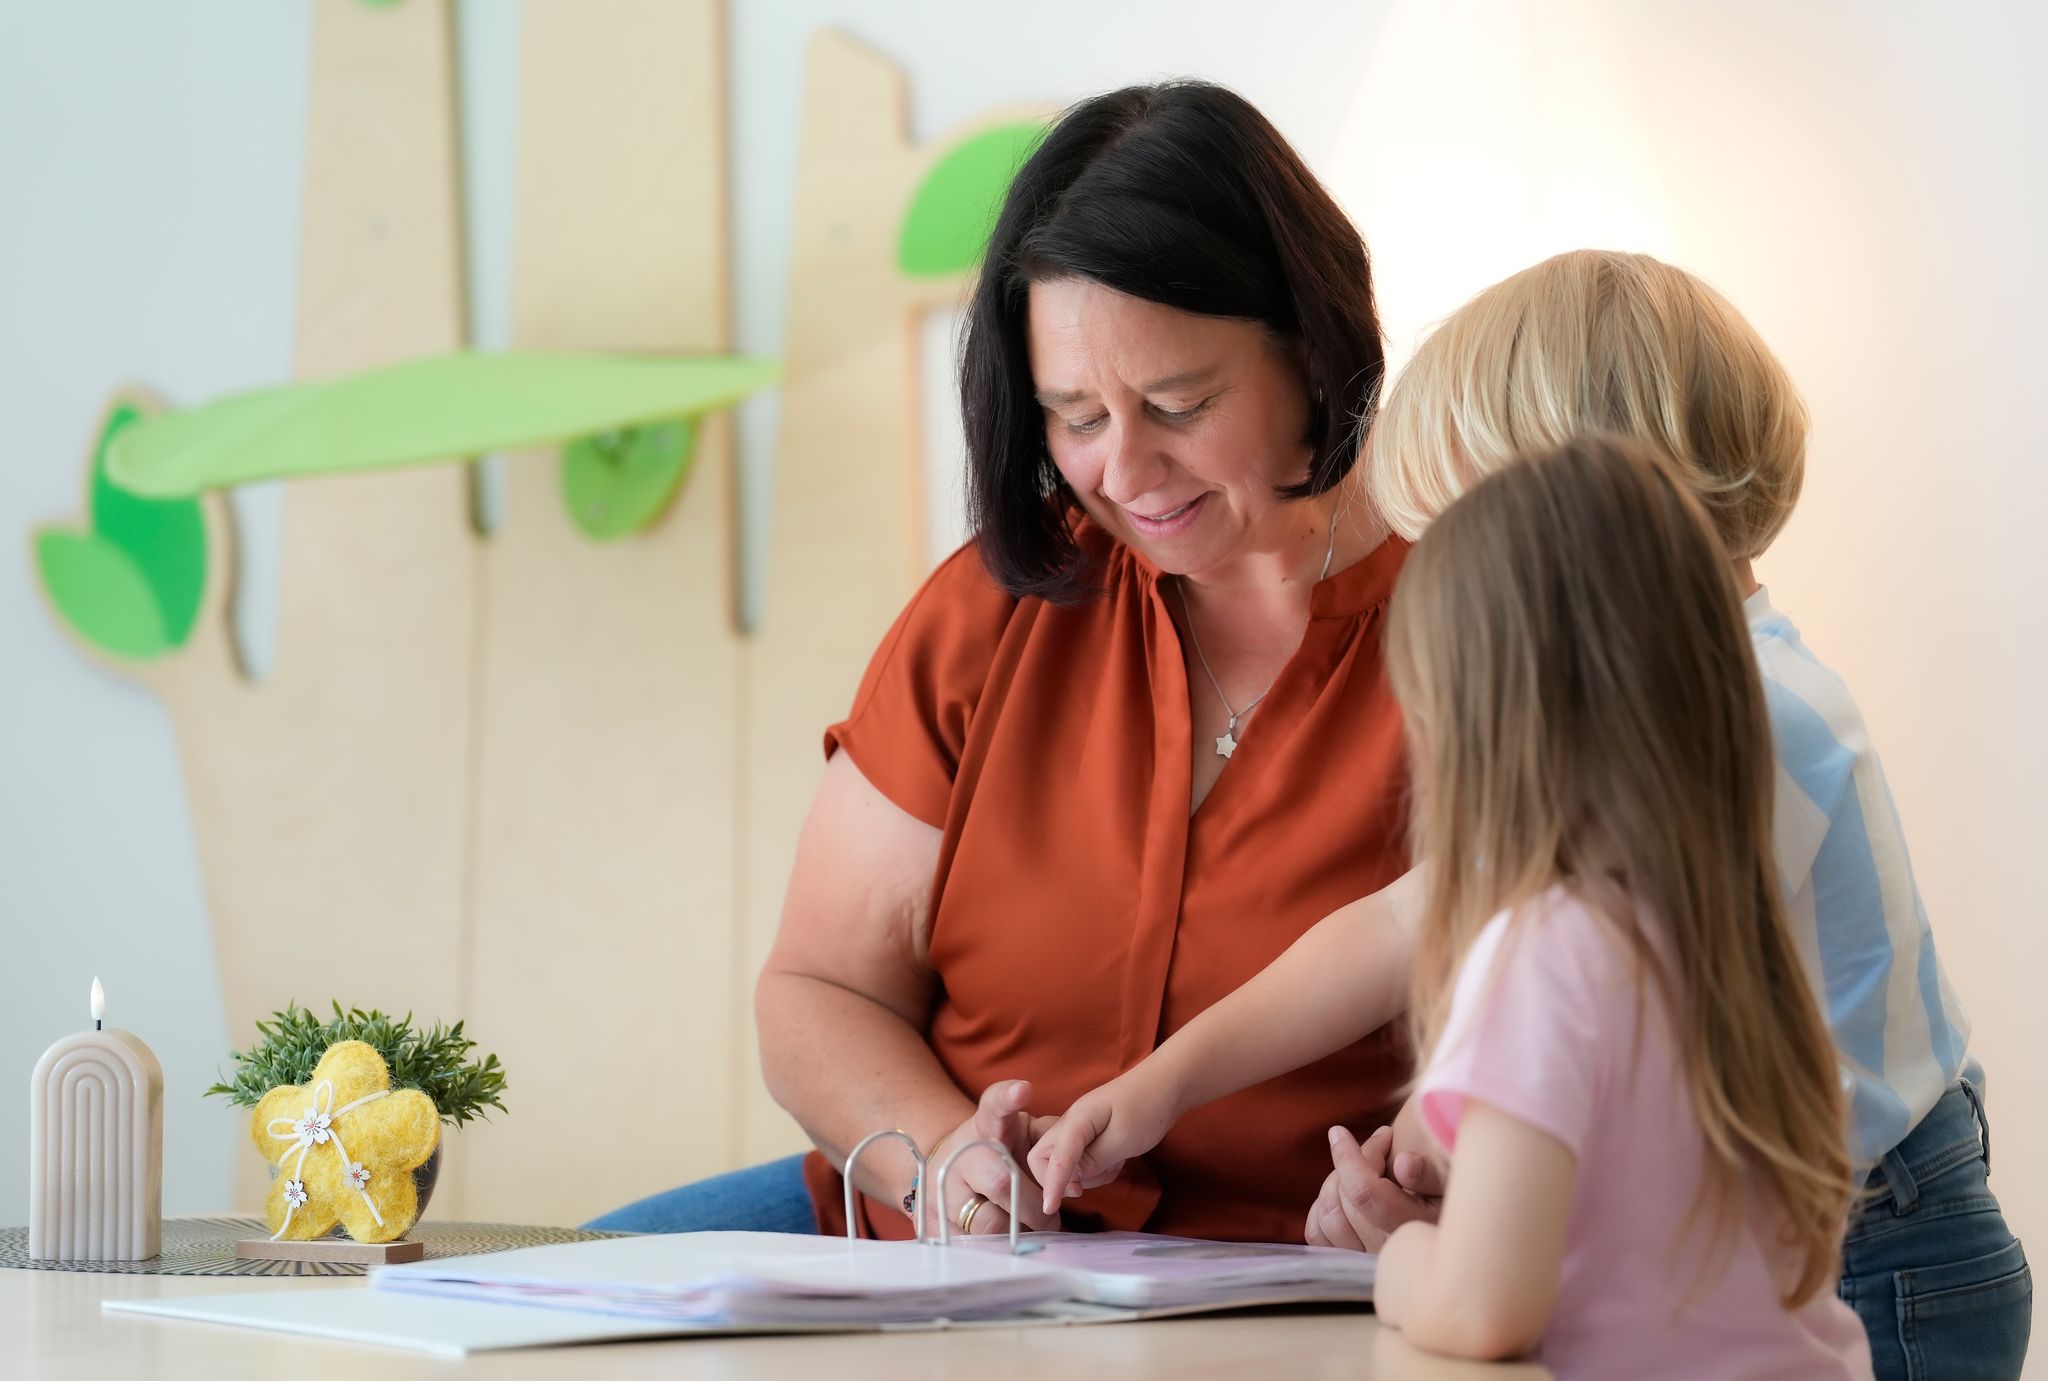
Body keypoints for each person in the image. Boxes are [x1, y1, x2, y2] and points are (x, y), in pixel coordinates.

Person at [1034, 250, 2029, 1379]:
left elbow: (1598, 972)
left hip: (1875, 1242)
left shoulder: (1743, 718)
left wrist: (1464, 1128)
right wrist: (1158, 1085)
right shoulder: (1679, 700)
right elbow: (1410, 919)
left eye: (1468, 546)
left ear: (1592, 520)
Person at [589, 79, 1419, 1244]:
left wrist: (1428, 1187)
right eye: (1075, 417)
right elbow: (820, 990)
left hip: (1274, 1277)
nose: (1125, 471)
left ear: (1312, 344)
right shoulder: (1000, 602)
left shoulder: (1480, 631)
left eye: (1177, 403)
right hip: (913, 1241)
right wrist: (945, 1163)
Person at [1380, 435, 1871, 1373]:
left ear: (1484, 732)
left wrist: (1405, 1262)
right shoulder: (1730, 937)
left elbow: (1484, 1309)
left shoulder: (1544, 950)